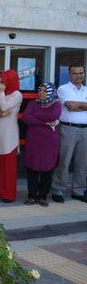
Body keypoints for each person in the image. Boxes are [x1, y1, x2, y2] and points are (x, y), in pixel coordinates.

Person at [51, 64, 87, 203]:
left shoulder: (86, 89)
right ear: (69, 75)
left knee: (83, 163)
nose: (79, 76)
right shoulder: (63, 89)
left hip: (85, 130)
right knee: (64, 161)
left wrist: (78, 105)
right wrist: (82, 105)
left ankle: (78, 190)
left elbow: (74, 106)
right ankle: (58, 189)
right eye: (75, 73)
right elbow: (70, 107)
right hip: (68, 129)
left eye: (81, 73)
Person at [22, 83, 62, 206]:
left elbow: (53, 116)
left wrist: (36, 117)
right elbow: (26, 117)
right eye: (40, 90)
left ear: (50, 92)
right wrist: (45, 123)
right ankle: (32, 196)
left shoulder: (56, 104)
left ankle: (42, 196)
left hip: (49, 144)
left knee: (47, 170)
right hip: (34, 142)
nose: (41, 93)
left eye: (45, 90)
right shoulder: (32, 104)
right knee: (32, 169)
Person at [0, 69, 23, 203]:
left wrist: (1, 94)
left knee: (7, 164)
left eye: (3, 81)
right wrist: (0, 111)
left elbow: (3, 107)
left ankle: (7, 194)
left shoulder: (17, 94)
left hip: (9, 132)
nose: (0, 84)